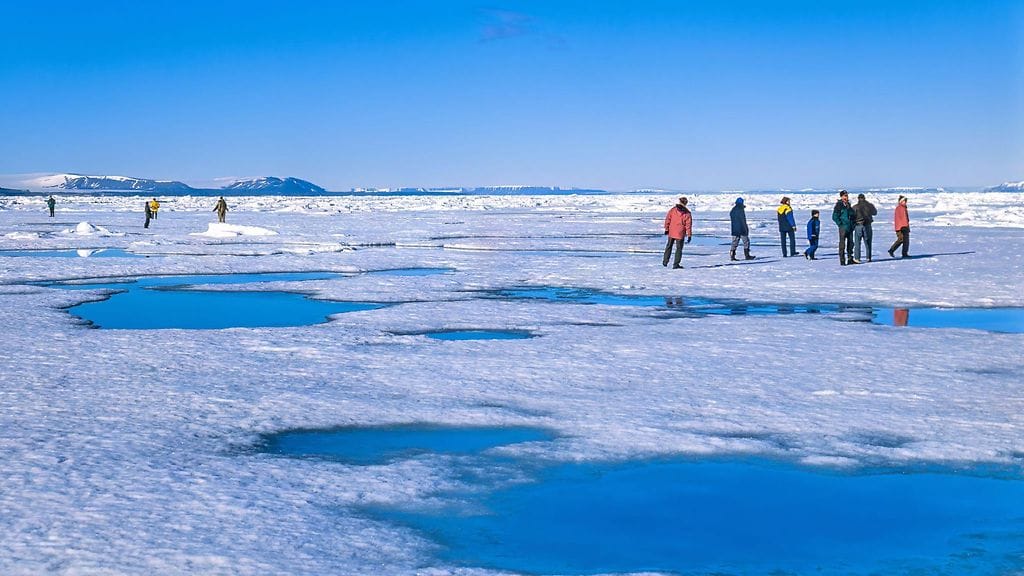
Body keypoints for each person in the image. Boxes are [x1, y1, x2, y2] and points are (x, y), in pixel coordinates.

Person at [662, 196, 692, 269]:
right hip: (680, 233)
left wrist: (666, 228)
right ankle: (676, 264)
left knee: (669, 246)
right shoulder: (687, 213)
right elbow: (688, 225)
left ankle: (665, 261)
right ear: (686, 203)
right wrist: (689, 235)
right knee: (679, 249)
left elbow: (667, 219)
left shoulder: (673, 210)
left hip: (672, 231)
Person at [831, 190, 856, 265]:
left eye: (847, 195)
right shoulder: (839, 205)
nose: (846, 197)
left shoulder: (848, 204)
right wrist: (840, 224)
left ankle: (850, 258)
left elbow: (852, 214)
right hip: (843, 227)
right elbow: (834, 216)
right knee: (842, 244)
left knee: (851, 243)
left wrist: (853, 222)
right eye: (844, 196)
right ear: (841, 196)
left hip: (850, 227)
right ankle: (842, 260)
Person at [853, 193, 877, 262]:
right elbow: (875, 212)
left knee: (857, 243)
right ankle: (868, 257)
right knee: (868, 242)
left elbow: (852, 216)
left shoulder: (855, 207)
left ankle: (857, 258)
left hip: (858, 225)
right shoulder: (869, 206)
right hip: (867, 225)